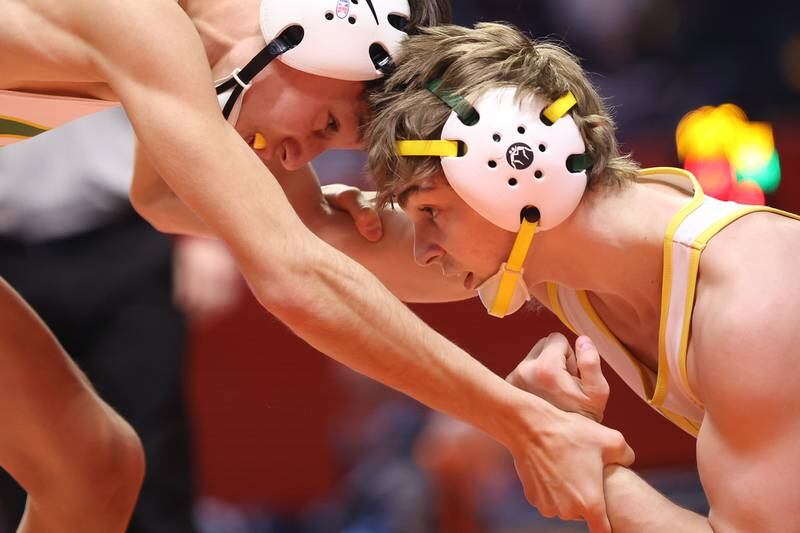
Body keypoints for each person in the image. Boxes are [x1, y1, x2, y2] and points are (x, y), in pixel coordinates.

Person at [0, 2, 632, 531]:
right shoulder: (137, 22)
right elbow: (294, 277)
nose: (300, 155)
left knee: (95, 468)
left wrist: (536, 257)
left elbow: (164, 197)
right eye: (328, 123)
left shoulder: (179, 47)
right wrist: (522, 423)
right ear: (317, 20)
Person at [360, 22, 800, 531]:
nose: (421, 252)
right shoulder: (554, 263)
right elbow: (304, 241)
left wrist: (559, 441)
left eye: (431, 213)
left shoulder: (754, 302)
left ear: (515, 167)